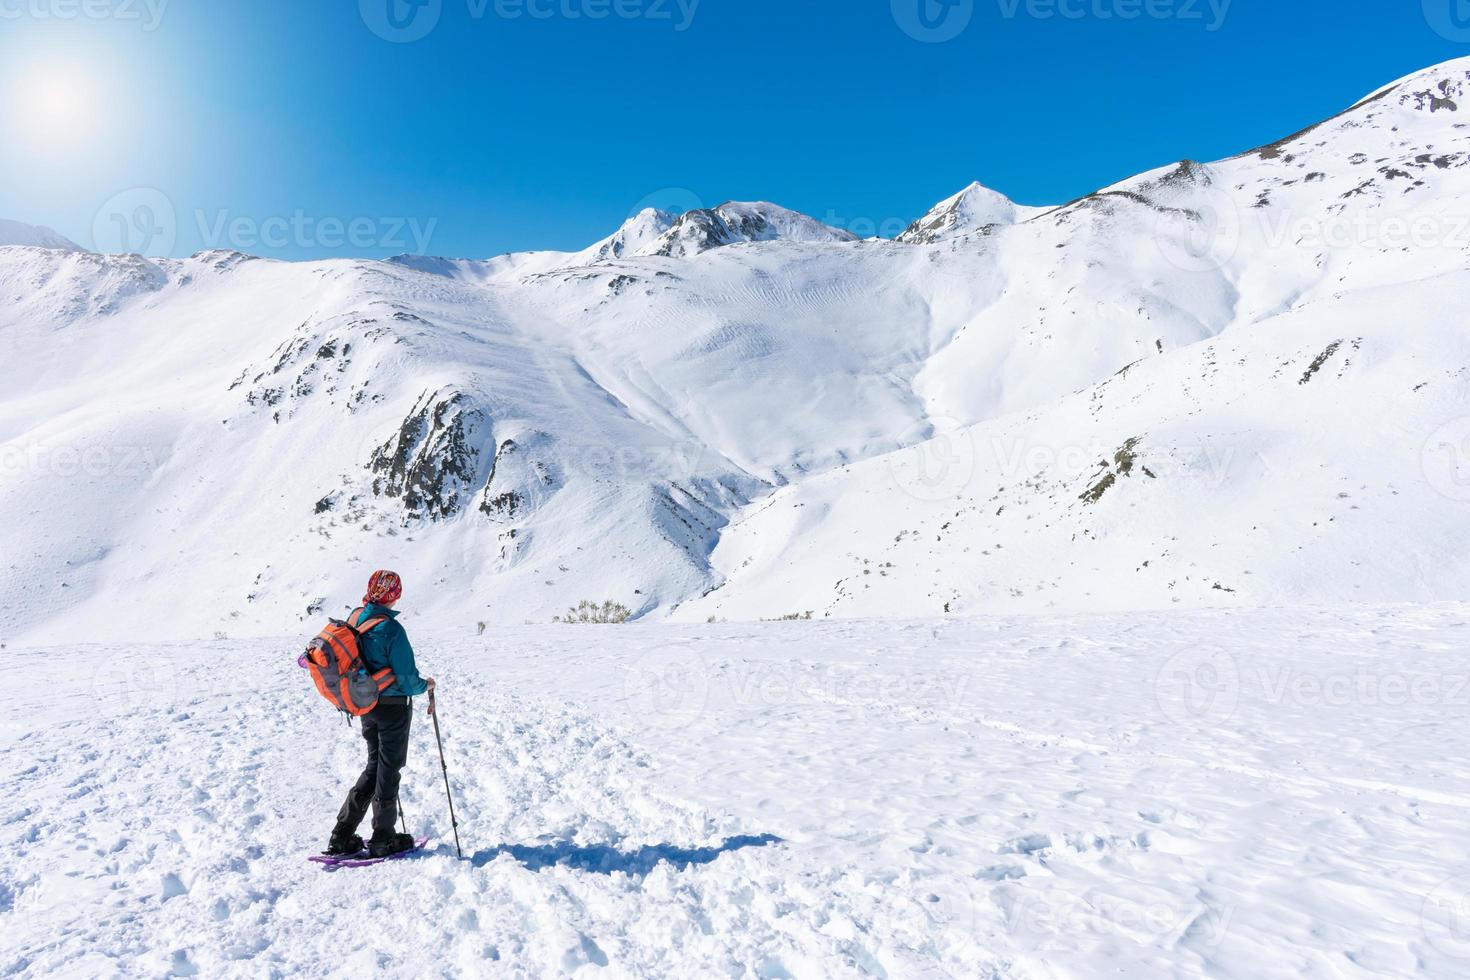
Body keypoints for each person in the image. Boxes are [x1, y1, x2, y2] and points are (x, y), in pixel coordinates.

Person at [326, 569, 436, 858]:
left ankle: (341, 835)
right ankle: (383, 837)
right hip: (392, 709)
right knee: (389, 768)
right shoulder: (391, 629)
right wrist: (426, 685)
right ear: (395, 594)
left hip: (365, 706)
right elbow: (407, 678)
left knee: (374, 765)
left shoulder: (355, 618)